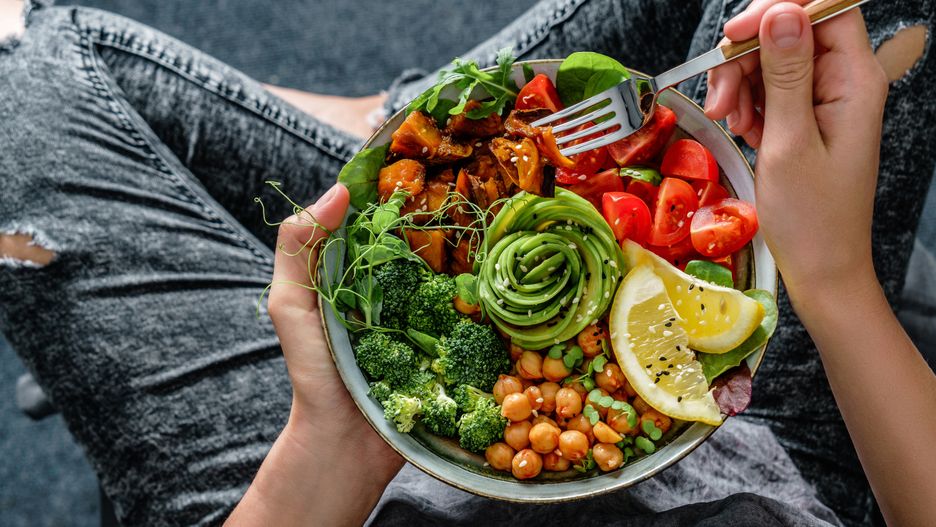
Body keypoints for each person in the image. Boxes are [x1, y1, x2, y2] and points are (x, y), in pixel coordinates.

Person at [0, 0, 933, 526]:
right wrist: (835, 281)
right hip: (784, 469)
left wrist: (334, 450)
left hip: (356, 489)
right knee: (833, 11)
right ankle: (378, 120)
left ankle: (367, 125)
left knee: (24, 74)